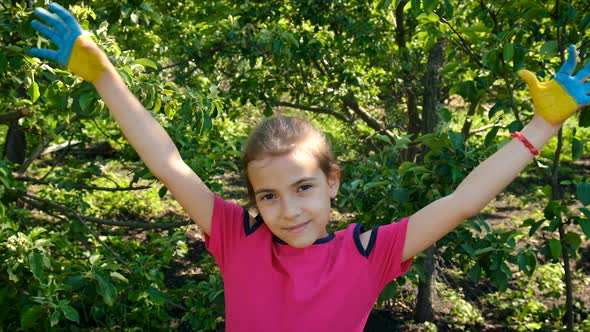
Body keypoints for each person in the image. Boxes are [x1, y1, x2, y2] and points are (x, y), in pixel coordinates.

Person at [29, 3, 590, 331]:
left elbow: (464, 201)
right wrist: (105, 75)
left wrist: (541, 127)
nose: (288, 209)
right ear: (252, 199)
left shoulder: (368, 253)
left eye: (302, 187)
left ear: (332, 182)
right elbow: (169, 164)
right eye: (268, 196)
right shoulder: (235, 236)